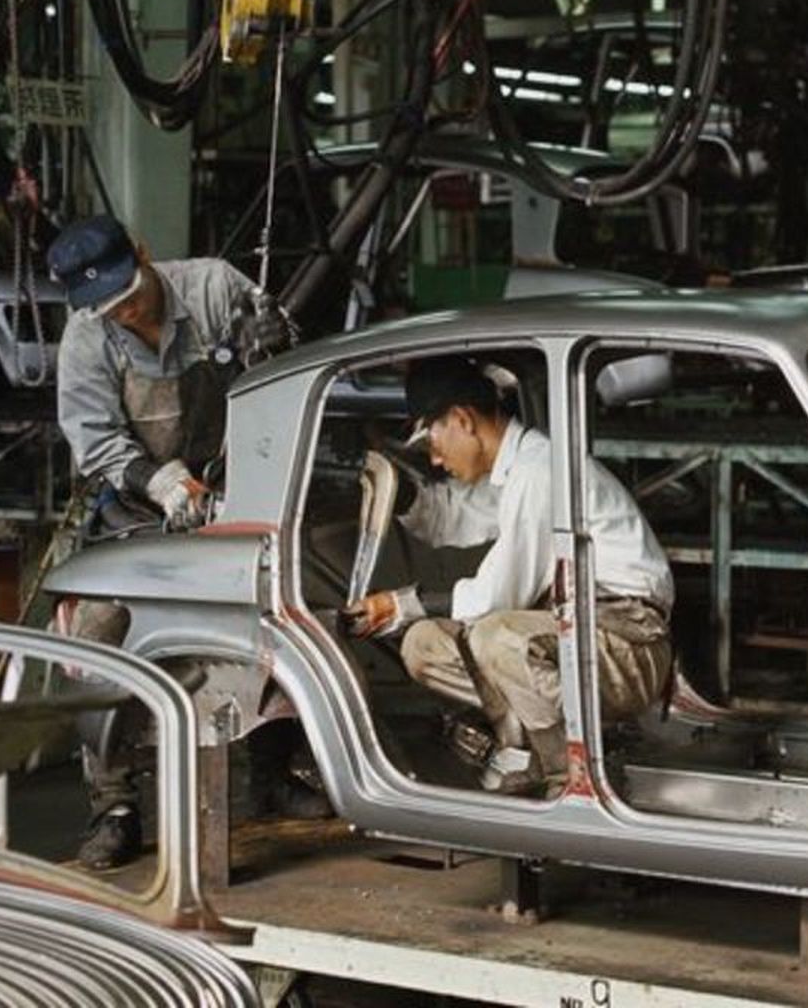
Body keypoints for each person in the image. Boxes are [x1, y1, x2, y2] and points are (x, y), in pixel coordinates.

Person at [47, 213, 296, 868]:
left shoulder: (214, 287)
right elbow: (95, 440)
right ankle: (114, 804)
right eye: (109, 309)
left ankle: (276, 770)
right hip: (136, 515)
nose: (125, 314)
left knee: (289, 613)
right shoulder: (85, 338)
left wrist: (276, 339)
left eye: (130, 296)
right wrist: (156, 481)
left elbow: (287, 378)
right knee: (95, 634)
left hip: (238, 498)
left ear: (144, 250)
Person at [344, 358, 674, 797]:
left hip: (627, 647)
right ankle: (526, 741)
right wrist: (395, 488)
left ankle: (567, 773)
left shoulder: (540, 471)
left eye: (433, 441)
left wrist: (400, 604)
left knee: (496, 635)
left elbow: (498, 595)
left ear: (463, 419)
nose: (436, 459)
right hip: (577, 637)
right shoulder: (516, 470)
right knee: (423, 644)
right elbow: (451, 517)